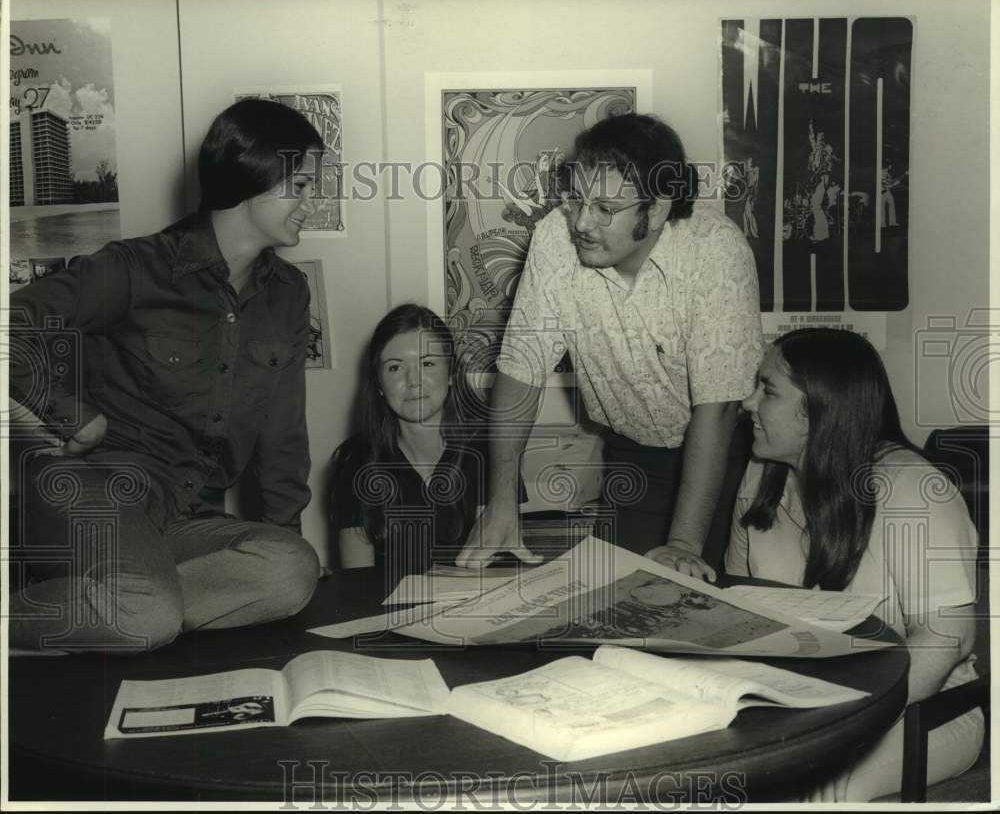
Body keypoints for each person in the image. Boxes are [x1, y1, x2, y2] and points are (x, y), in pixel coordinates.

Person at [8, 99, 324, 653]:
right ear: (254, 174)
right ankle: (131, 606)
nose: (311, 200)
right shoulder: (135, 269)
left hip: (180, 517)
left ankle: (124, 605)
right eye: (299, 184)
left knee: (293, 571)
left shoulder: (288, 296)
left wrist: (279, 540)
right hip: (90, 491)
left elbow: (283, 435)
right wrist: (73, 416)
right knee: (149, 611)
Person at [456, 113, 764, 578]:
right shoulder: (554, 239)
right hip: (632, 453)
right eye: (576, 199)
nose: (582, 221)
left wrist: (683, 543)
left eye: (604, 208)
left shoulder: (716, 252)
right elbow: (521, 371)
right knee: (613, 599)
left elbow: (717, 409)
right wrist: (502, 504)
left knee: (705, 600)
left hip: (721, 457)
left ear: (656, 209)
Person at [725, 328, 984, 801]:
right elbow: (744, 613)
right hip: (801, 701)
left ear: (820, 410)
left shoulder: (914, 491)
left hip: (922, 710)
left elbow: (947, 639)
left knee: (818, 787)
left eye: (767, 389)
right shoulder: (760, 474)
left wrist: (841, 716)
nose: (747, 403)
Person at [330, 304, 492, 580]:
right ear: (379, 384)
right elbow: (355, 586)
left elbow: (497, 570)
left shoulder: (489, 451)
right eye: (395, 367)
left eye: (427, 364)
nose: (413, 381)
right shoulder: (355, 462)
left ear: (451, 373)